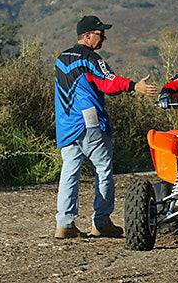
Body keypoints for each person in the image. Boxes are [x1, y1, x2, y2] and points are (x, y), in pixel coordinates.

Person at [54, 15, 158, 239]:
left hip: (66, 125)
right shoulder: (91, 59)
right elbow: (108, 82)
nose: (104, 38)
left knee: (69, 172)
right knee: (103, 170)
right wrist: (133, 86)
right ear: (88, 35)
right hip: (90, 123)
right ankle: (101, 222)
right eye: (101, 34)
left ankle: (64, 223)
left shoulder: (61, 59)